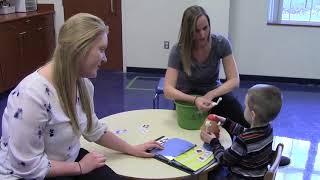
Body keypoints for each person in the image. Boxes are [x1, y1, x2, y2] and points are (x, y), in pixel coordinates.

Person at [0, 13, 162, 180]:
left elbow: (93, 129)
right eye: (101, 50)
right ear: (79, 49)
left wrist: (132, 149)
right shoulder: (31, 97)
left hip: (65, 160)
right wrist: (79, 167)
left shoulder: (83, 84)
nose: (105, 58)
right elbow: (28, 167)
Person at [163, 5, 249, 128]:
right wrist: (195, 99)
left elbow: (235, 80)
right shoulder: (178, 50)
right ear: (188, 32)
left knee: (242, 120)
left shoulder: (221, 43)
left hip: (214, 94)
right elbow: (168, 90)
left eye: (205, 28)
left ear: (209, 25)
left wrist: (211, 94)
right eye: (196, 31)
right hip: (188, 98)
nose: (202, 35)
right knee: (189, 132)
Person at [200, 84, 282, 179]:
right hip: (256, 175)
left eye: (246, 106)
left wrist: (213, 142)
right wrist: (226, 122)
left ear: (253, 115)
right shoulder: (268, 130)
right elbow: (244, 131)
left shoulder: (243, 141)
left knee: (211, 174)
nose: (244, 108)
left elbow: (224, 160)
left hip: (239, 177)